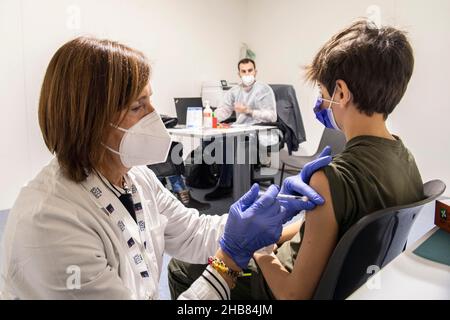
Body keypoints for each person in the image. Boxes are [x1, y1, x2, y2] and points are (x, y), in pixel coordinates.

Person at [0, 37, 324, 300]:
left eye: (150, 100)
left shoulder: (136, 178)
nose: (156, 116)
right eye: (137, 106)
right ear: (90, 122)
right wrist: (227, 263)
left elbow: (193, 232)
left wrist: (255, 219)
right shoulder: (52, 223)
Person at [168, 19, 424, 300]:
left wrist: (259, 250)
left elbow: (292, 295)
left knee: (180, 267)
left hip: (271, 286)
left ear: (340, 92)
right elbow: (321, 232)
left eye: (322, 94)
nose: (320, 102)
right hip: (351, 285)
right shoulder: (406, 158)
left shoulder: (328, 179)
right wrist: (272, 234)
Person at [204, 58, 277, 200]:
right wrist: (209, 117)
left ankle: (226, 185)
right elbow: (224, 110)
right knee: (213, 139)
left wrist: (249, 111)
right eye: (243, 71)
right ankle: (223, 180)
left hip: (260, 131)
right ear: (239, 74)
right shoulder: (234, 91)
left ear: (255, 72)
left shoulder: (264, 90)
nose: (247, 74)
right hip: (240, 130)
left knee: (229, 143)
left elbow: (272, 116)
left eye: (250, 70)